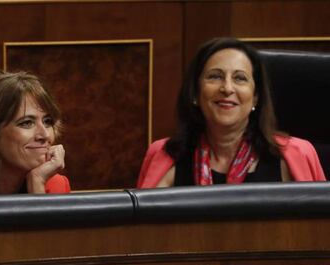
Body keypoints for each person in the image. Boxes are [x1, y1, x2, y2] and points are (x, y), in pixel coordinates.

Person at [138, 37, 326, 188]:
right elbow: (144, 232)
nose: (227, 88)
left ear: (255, 98)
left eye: (240, 78)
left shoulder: (295, 156)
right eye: (215, 76)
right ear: (195, 93)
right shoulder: (165, 156)